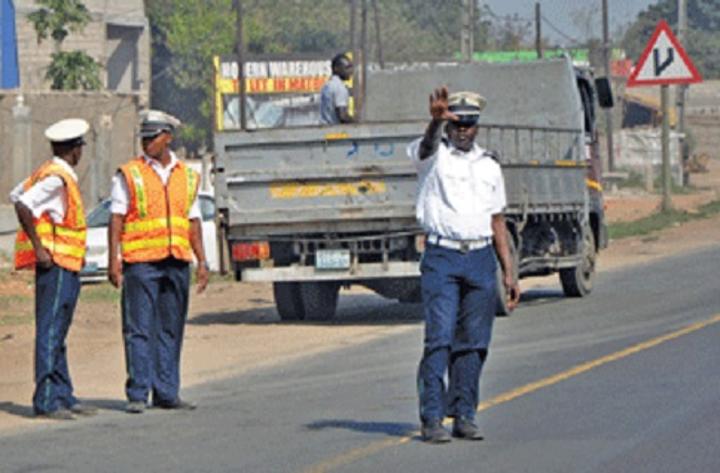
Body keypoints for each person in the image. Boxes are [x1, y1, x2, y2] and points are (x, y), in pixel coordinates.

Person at [409, 87, 520, 443]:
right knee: (440, 339)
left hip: (480, 259)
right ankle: (431, 418)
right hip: (442, 257)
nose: (462, 131)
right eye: (455, 124)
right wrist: (434, 122)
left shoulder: (489, 165)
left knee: (473, 343)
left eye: (468, 124)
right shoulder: (433, 156)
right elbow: (425, 148)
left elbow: (497, 220)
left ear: (477, 126)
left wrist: (509, 272)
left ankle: (465, 414)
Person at [108, 110, 209, 414]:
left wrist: (202, 261)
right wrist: (114, 259)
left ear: (167, 138)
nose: (146, 143)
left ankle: (167, 391)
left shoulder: (187, 176)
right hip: (141, 262)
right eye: (144, 138)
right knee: (138, 328)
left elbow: (193, 221)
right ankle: (138, 393)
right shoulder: (130, 173)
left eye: (152, 138)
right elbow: (116, 218)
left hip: (176, 261)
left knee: (171, 328)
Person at [10, 118, 98, 420]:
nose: (81, 152)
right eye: (79, 147)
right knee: (50, 331)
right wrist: (39, 246)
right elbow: (22, 203)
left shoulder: (50, 173)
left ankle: (63, 395)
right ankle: (46, 399)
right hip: (57, 263)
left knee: (58, 331)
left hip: (67, 263)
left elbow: (15, 194)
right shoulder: (56, 178)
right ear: (74, 149)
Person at [319, 53, 354, 125]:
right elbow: (343, 116)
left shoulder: (328, 85)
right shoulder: (340, 87)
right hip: (335, 130)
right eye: (347, 68)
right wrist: (358, 124)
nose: (351, 71)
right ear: (336, 69)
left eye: (351, 67)